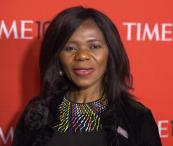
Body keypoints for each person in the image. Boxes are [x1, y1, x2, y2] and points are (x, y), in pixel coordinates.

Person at [12, 6, 162, 146]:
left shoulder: (136, 118)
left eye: (94, 46)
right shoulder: (37, 113)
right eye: (70, 48)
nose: (82, 55)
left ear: (110, 54)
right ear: (58, 57)